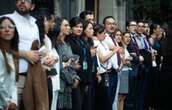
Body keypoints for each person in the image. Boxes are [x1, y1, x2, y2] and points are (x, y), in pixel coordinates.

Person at [4, 0, 40, 109]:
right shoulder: (7, 19)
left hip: (31, 77)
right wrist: (24, 54)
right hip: (12, 77)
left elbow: (36, 49)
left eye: (27, 0)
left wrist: (44, 57)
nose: (22, 1)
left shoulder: (34, 24)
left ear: (32, 6)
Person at [55, 17, 80, 110]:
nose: (69, 27)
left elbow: (72, 63)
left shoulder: (67, 44)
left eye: (69, 25)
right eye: (66, 25)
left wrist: (75, 77)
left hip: (68, 87)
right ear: (59, 27)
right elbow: (60, 66)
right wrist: (71, 80)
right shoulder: (57, 44)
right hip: (61, 84)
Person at [0, 17, 19, 110]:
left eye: (10, 27)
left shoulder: (11, 54)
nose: (7, 29)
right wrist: (7, 103)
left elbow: (14, 83)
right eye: (2, 27)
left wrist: (13, 102)